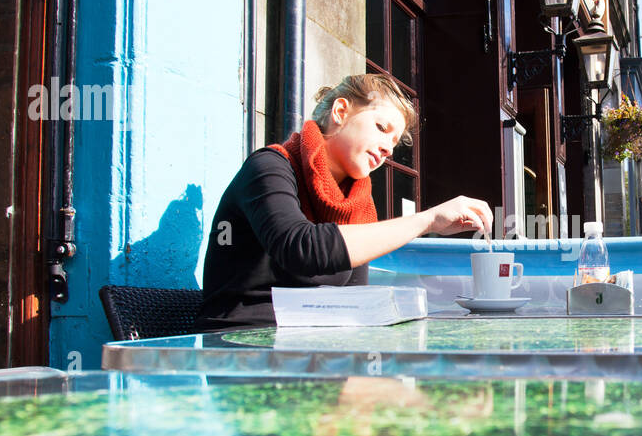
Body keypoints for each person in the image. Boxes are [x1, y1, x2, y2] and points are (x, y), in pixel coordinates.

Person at [197, 74, 492, 331]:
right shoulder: (269, 167)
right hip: (239, 345)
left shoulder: (356, 202)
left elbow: (352, 300)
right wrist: (427, 220)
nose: (389, 148)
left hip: (310, 347)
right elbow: (300, 247)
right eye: (381, 127)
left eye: (395, 141)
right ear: (341, 111)